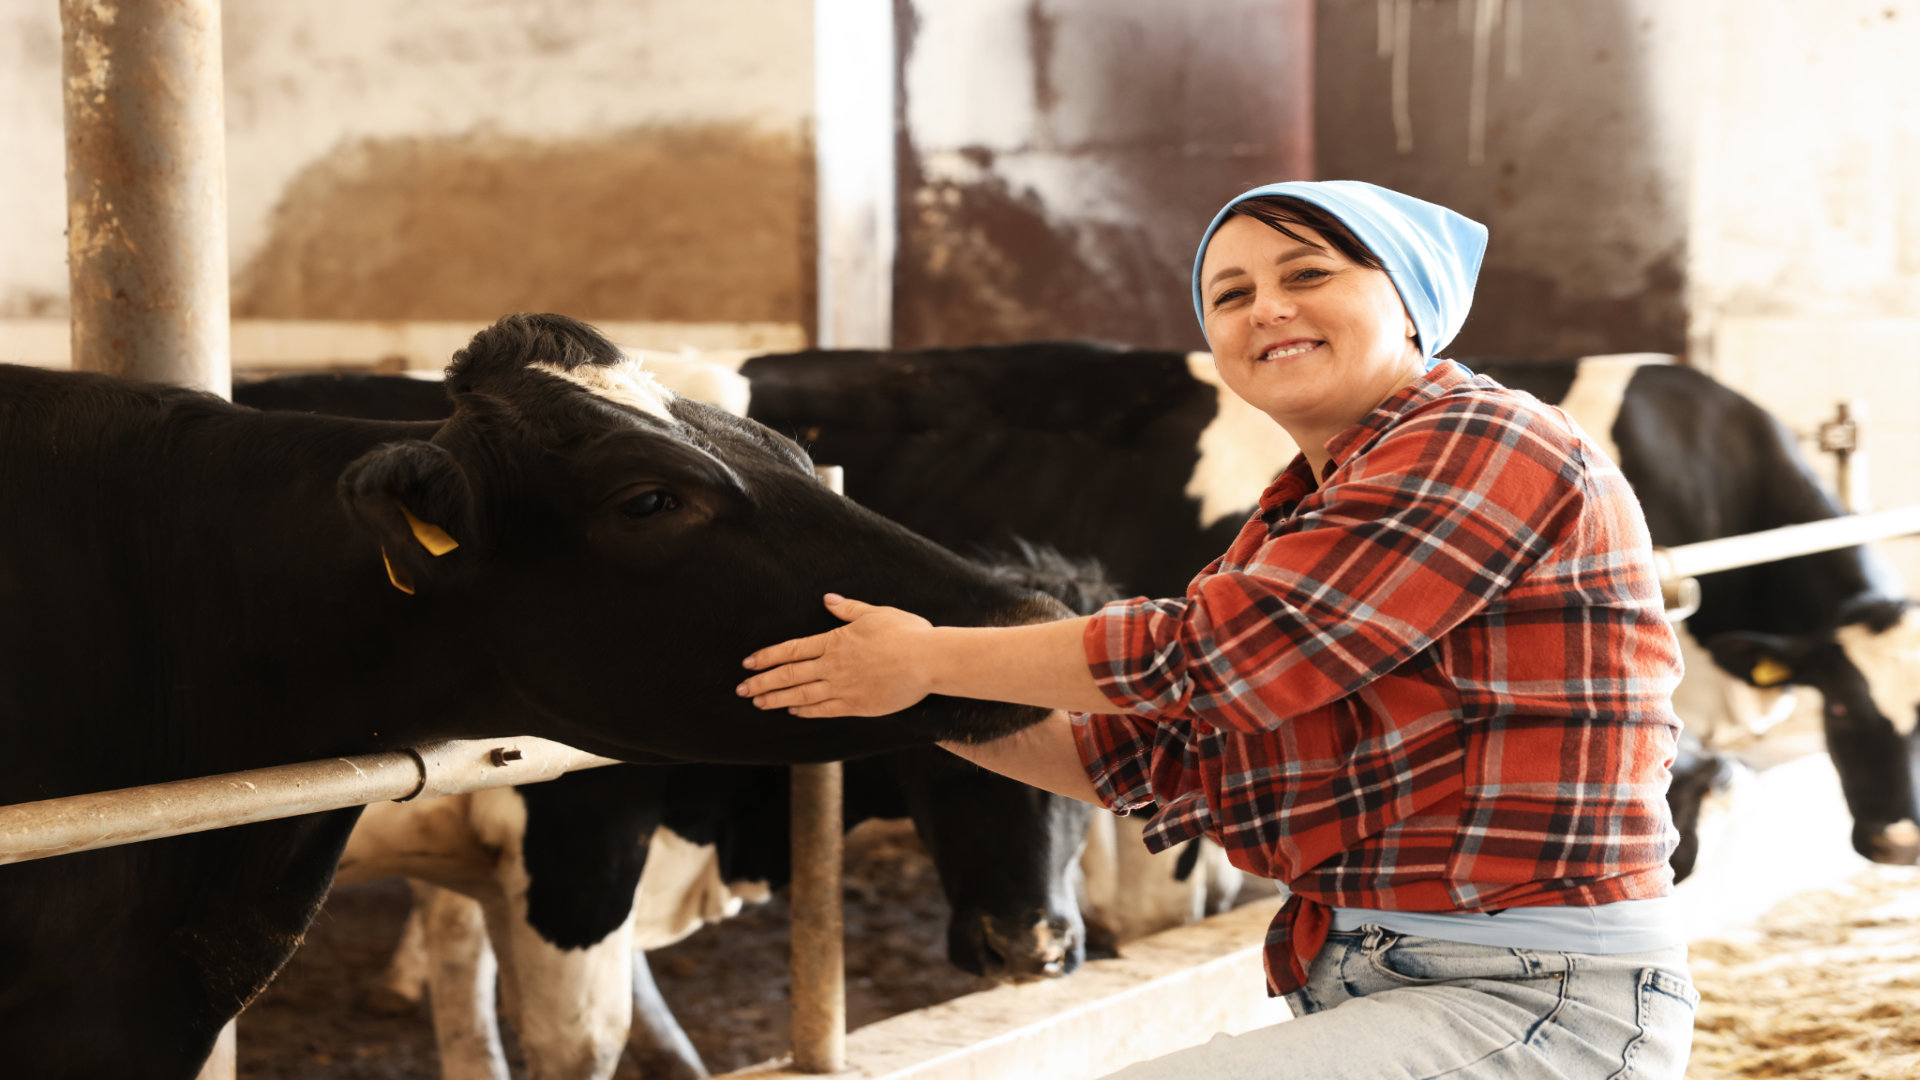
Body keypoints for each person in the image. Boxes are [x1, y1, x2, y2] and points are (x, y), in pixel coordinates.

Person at [735, 180, 1697, 1078]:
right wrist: (872, 685)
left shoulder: (1485, 438)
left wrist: (927, 658)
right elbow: (1154, 760)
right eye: (1229, 295)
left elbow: (1227, 657)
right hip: (1383, 982)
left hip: (1537, 994)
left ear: (1410, 304)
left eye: (1307, 274)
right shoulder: (1294, 514)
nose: (1265, 308)